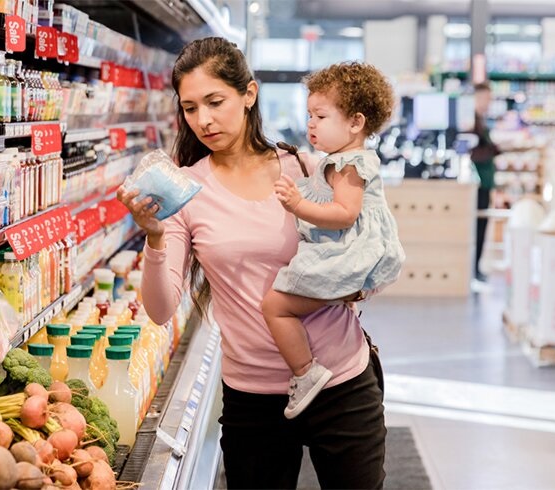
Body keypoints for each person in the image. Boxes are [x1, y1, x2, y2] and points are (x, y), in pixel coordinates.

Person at [117, 37, 387, 489]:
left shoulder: (305, 167)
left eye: (215, 101)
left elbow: (362, 245)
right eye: (190, 108)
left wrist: (358, 285)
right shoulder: (184, 191)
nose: (203, 119)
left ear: (249, 94)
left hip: (341, 381)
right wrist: (155, 236)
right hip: (253, 399)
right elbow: (162, 310)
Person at [261, 62, 405, 419]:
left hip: (349, 253)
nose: (310, 124)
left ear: (356, 122)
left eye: (320, 116)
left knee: (275, 306)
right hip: (350, 252)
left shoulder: (350, 165)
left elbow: (345, 213)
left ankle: (305, 371)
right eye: (309, 115)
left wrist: (298, 204)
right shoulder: (338, 159)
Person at [470, 82, 500, 283]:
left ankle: (476, 268)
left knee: (481, 226)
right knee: (478, 227)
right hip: (478, 184)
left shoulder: (480, 120)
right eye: (486, 98)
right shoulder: (471, 122)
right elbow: (476, 152)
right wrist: (494, 149)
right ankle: (473, 270)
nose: (488, 103)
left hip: (485, 182)